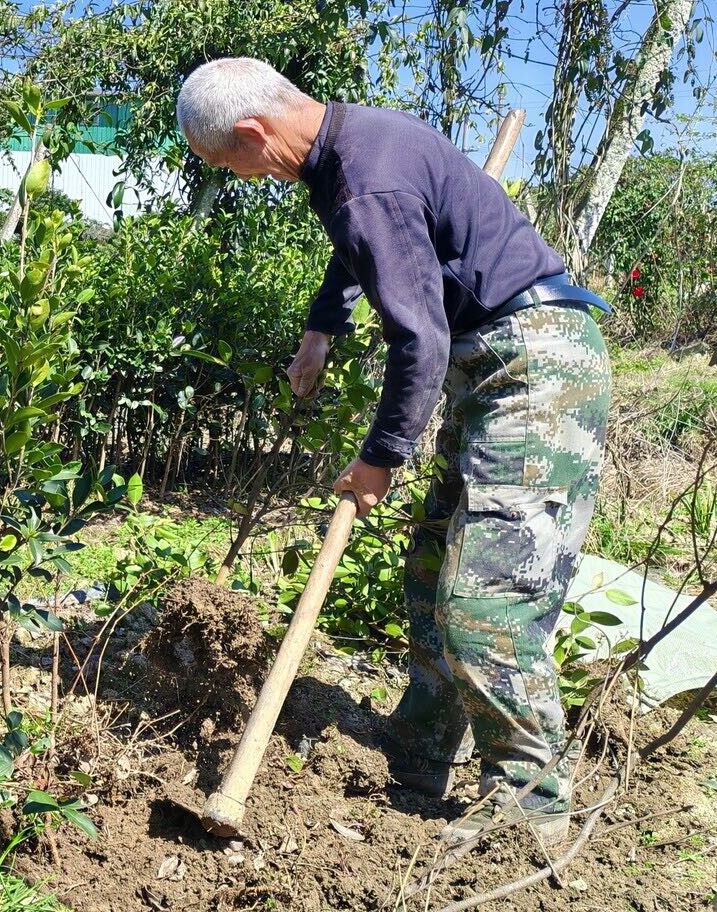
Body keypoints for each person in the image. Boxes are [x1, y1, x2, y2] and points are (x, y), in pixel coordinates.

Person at [176, 57, 612, 848]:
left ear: (252, 130)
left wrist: (380, 457)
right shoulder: (351, 146)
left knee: (489, 594)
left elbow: (421, 337)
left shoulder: (362, 175)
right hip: (498, 362)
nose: (240, 177)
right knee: (432, 567)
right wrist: (322, 328)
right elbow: (363, 251)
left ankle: (529, 801)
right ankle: (417, 755)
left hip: (536, 365)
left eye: (229, 164)